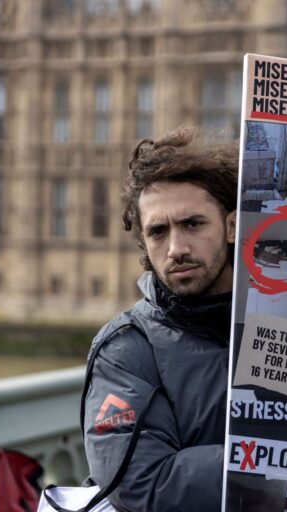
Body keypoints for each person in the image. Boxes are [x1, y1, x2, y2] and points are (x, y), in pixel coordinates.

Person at [82, 127, 238, 511]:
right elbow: (142, 484)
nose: (177, 249)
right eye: (158, 232)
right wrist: (281, 462)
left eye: (193, 224)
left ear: (232, 226)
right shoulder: (125, 350)